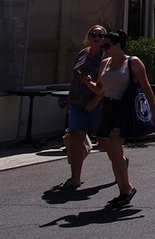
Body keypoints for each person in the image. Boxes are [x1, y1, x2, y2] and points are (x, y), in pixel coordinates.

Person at [82, 29, 155, 208]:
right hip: (108, 108)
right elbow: (100, 89)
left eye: (107, 46)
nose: (104, 49)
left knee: (115, 148)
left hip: (124, 108)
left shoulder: (133, 62)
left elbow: (146, 88)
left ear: (118, 45)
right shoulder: (104, 64)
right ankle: (124, 188)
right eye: (102, 46)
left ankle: (125, 190)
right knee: (112, 152)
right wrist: (89, 83)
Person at [57, 25, 108, 190]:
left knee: (103, 140)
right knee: (75, 140)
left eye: (101, 35)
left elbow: (108, 84)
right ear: (89, 36)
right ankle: (75, 178)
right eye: (94, 34)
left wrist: (96, 99)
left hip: (96, 104)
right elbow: (74, 79)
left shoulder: (106, 57)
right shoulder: (82, 54)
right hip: (78, 103)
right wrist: (70, 100)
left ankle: (121, 161)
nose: (97, 37)